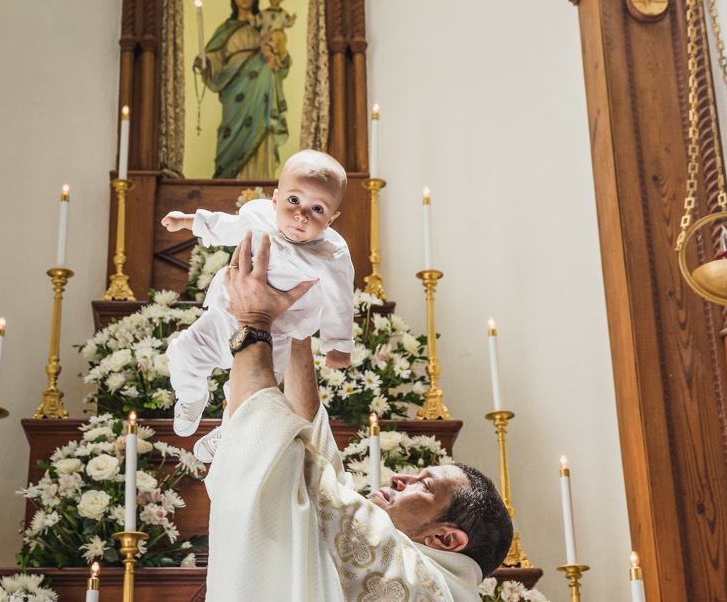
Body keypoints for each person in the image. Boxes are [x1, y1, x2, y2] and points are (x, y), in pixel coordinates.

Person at [203, 231, 513, 601]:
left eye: (425, 485)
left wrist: (254, 320)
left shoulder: (412, 578)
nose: (402, 478)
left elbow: (277, 467)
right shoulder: (428, 581)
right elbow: (323, 483)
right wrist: (299, 330)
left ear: (445, 538)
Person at [161, 150, 354, 462]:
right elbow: (225, 225)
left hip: (276, 334)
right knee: (182, 351)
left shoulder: (330, 254)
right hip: (227, 315)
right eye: (294, 201)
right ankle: (191, 394)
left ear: (331, 219)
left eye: (316, 209)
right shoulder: (260, 218)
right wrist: (188, 221)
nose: (301, 215)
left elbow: (341, 299)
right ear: (275, 200)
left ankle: (229, 432)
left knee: (256, 395)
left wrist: (338, 344)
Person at [195, 0, 290, 179]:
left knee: (261, 136)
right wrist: (205, 63)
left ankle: (260, 181)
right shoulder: (226, 29)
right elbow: (213, 57)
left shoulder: (264, 26)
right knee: (230, 134)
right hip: (234, 91)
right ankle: (229, 181)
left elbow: (281, 60)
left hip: (261, 91)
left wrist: (278, 55)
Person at [255, 0, 296, 64]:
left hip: (277, 42)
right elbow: (257, 21)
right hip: (264, 40)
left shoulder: (283, 13)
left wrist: (291, 20)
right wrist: (252, 20)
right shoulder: (264, 13)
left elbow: (287, 23)